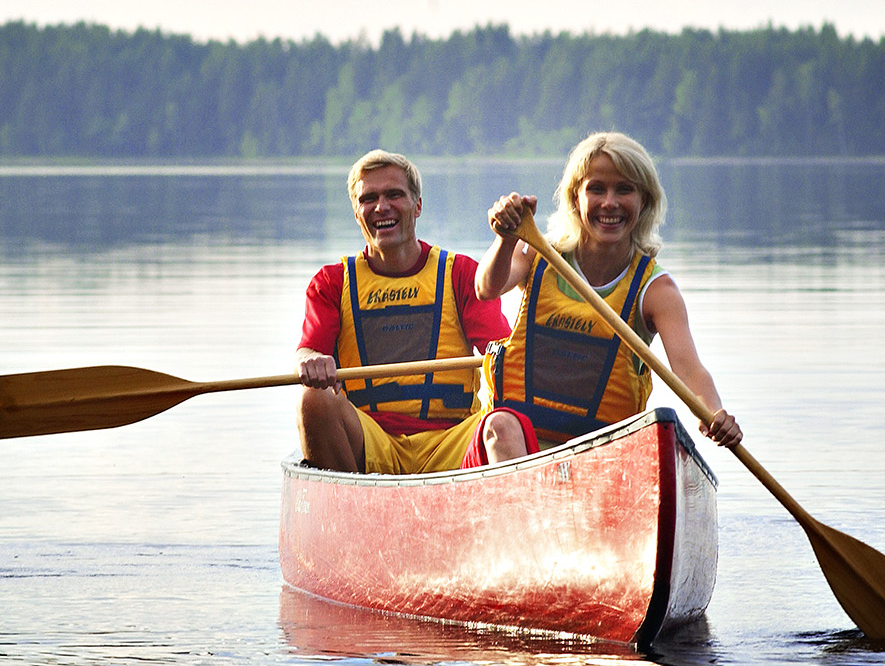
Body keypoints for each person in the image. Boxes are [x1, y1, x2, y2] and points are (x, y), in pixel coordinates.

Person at [466, 131, 743, 466]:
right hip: (518, 444)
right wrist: (506, 239)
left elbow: (690, 370)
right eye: (596, 189)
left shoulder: (656, 291)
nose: (609, 203)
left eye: (623, 189)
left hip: (602, 454)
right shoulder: (536, 253)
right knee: (499, 424)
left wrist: (713, 413)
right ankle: (526, 511)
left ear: (644, 201)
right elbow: (486, 288)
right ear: (575, 198)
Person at [295, 149, 527, 473]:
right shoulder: (331, 283)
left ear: (417, 206)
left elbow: (504, 354)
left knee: (508, 419)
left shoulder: (460, 273)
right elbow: (309, 349)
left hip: (453, 440)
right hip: (369, 440)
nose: (381, 207)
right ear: (356, 212)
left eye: (394, 195)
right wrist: (308, 360)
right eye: (368, 198)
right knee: (312, 399)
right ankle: (356, 505)